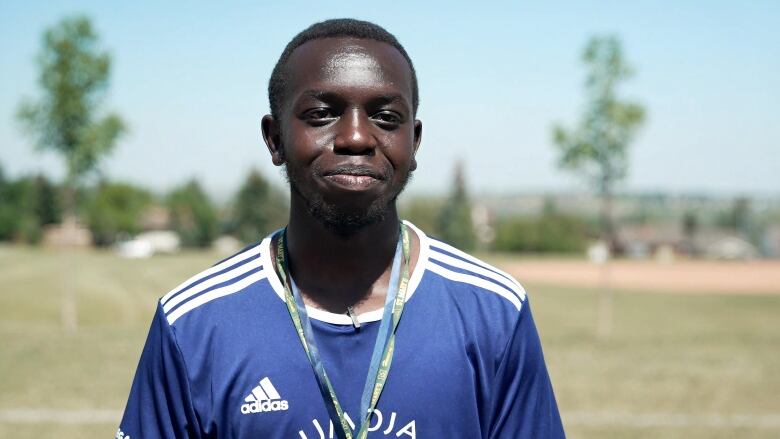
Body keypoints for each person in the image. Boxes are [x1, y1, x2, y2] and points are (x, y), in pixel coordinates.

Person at [118, 18, 565, 439]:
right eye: (322, 113)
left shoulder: (494, 312)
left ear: (415, 142)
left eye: (386, 118)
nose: (356, 137)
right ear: (274, 139)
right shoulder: (194, 322)